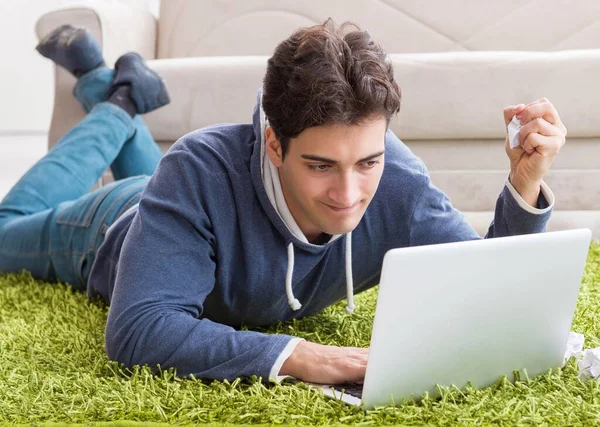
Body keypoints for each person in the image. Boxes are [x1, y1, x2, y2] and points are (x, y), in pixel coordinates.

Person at [0, 21, 565, 386]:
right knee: (6, 229)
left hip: (180, 213)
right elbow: (139, 327)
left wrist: (524, 184)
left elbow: (486, 285)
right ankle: (119, 101)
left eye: (367, 162)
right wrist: (299, 355)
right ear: (275, 143)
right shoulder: (197, 168)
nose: (348, 197)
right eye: (320, 166)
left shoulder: (399, 184)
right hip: (111, 227)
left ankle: (115, 93)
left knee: (169, 184)